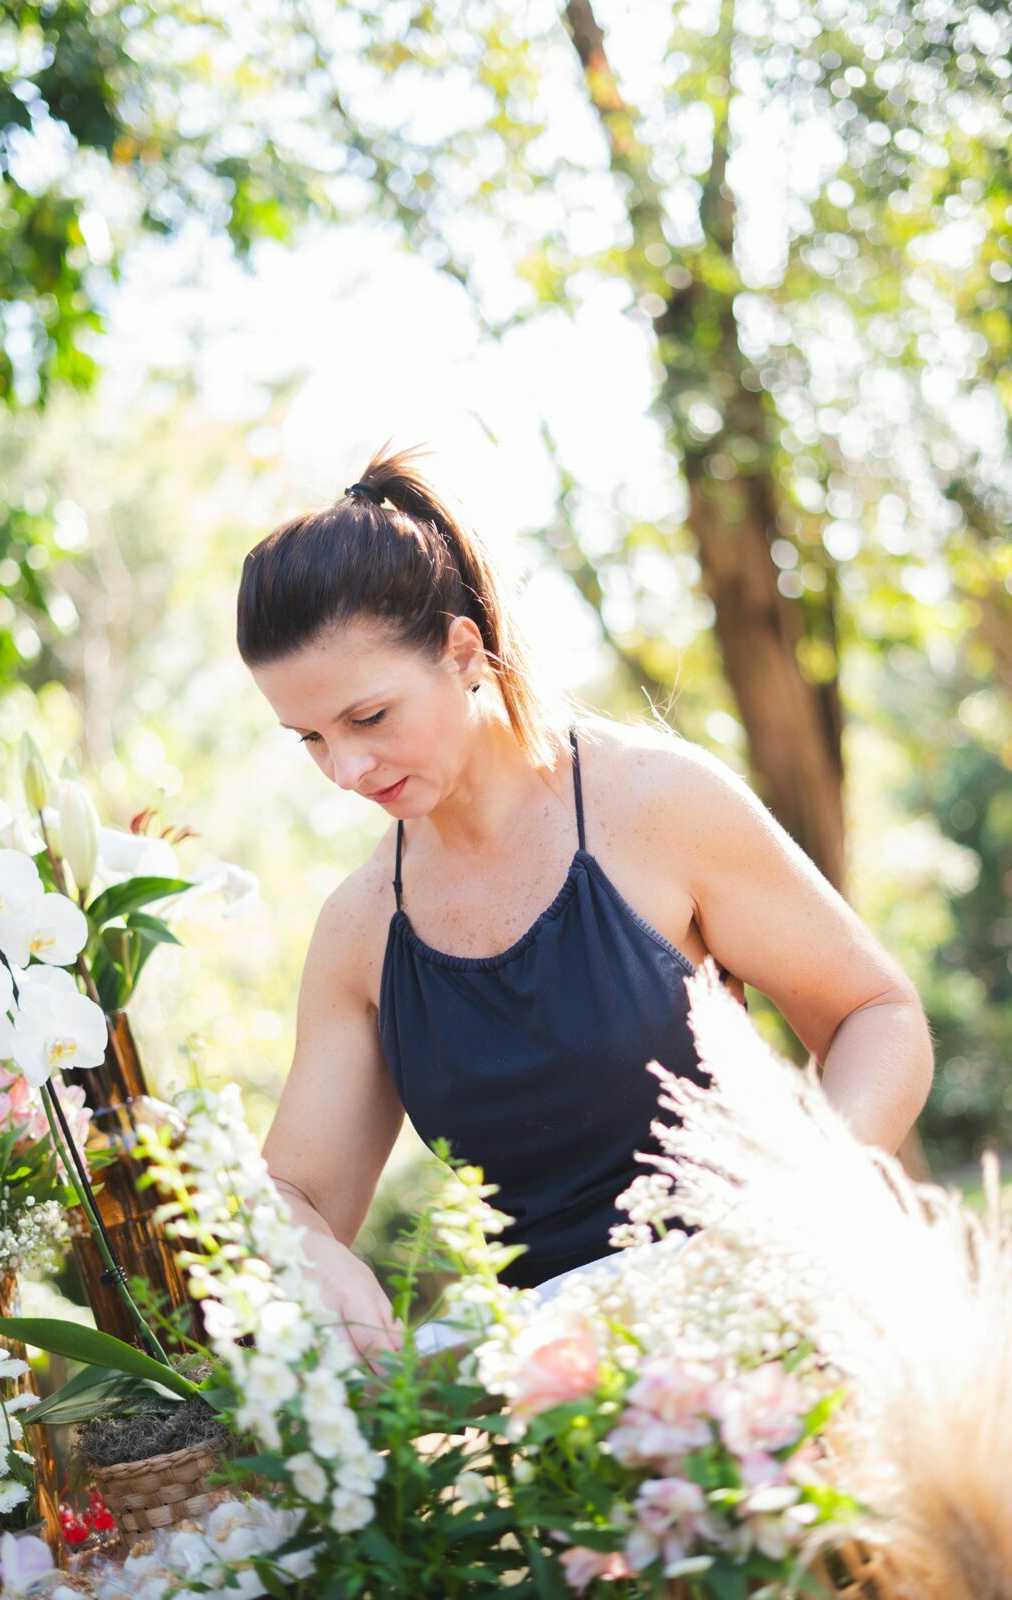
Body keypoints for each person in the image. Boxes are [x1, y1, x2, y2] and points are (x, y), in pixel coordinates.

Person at [235, 442, 934, 1373]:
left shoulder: (654, 804)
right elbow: (296, 1194)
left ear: (461, 651)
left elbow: (876, 1016)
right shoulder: (362, 929)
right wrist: (312, 1255)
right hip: (561, 1394)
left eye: (368, 719)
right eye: (309, 739)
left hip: (772, 1332)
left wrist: (797, 1212)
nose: (346, 771)